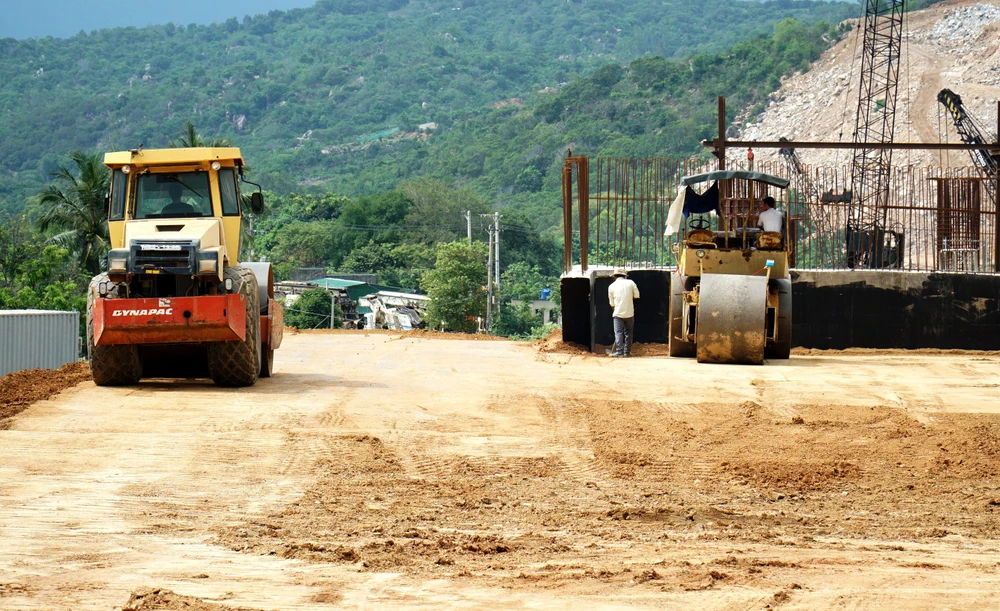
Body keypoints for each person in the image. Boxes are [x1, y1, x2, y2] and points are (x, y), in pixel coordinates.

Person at [607, 268, 640, 357]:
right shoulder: (631, 283)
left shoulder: (611, 286)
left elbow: (612, 304)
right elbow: (637, 296)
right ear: (624, 276)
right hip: (629, 312)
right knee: (628, 333)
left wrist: (616, 310)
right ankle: (627, 352)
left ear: (614, 276)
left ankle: (619, 351)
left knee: (618, 332)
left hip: (618, 313)